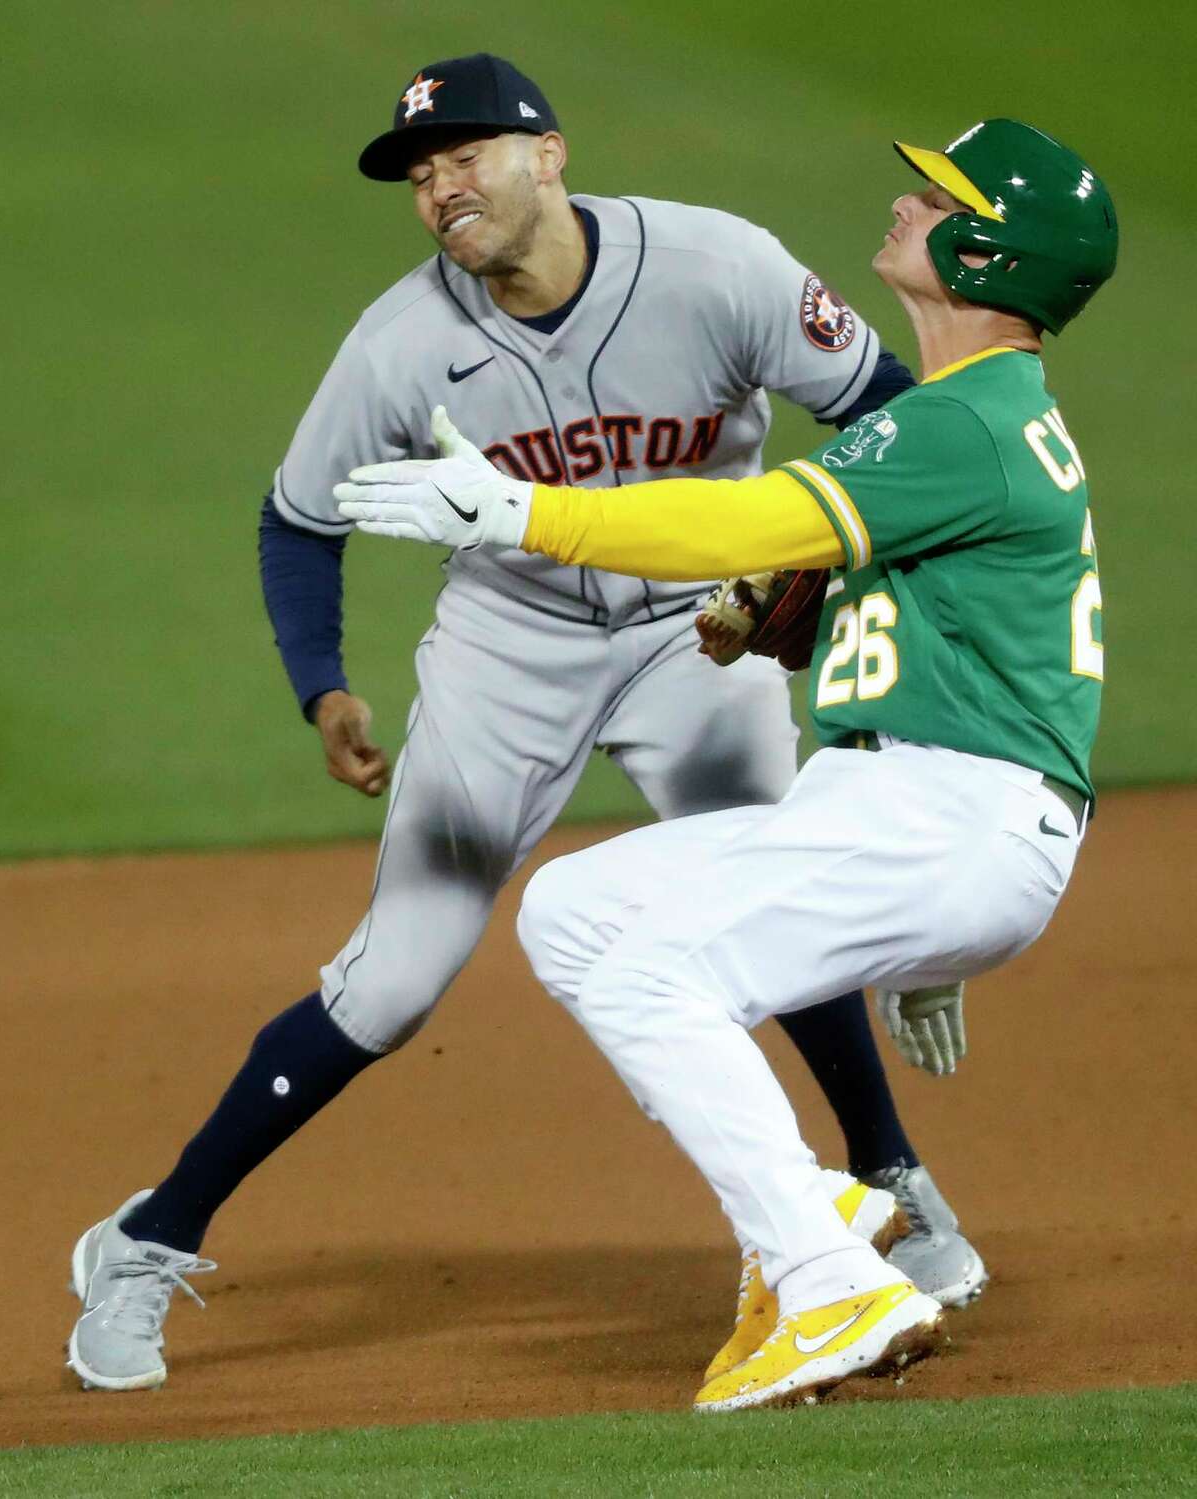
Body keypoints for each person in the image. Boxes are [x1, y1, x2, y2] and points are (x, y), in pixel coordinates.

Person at [66, 53, 978, 1394]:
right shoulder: (397, 342)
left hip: (697, 633)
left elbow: (896, 425)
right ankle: (145, 1240)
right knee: (393, 980)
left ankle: (889, 1170)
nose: (441, 187)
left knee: (771, 891)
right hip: (511, 654)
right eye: (421, 174)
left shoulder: (718, 267)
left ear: (549, 154)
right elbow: (298, 517)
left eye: (467, 154)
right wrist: (321, 682)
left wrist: (827, 566)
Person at [334, 117, 1117, 1409]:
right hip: (916, 809)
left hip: (952, 811)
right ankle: (810, 1212)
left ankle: (826, 1279)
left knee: (651, 973)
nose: (907, 205)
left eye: (939, 200)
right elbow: (918, 617)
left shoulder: (967, 423)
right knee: (577, 913)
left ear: (988, 252)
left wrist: (521, 510)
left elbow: (747, 514)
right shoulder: (966, 421)